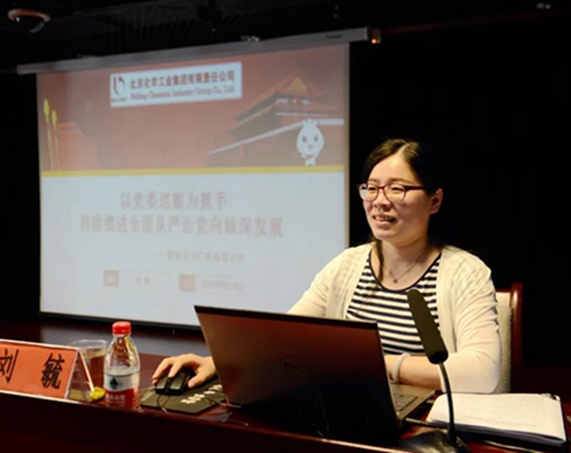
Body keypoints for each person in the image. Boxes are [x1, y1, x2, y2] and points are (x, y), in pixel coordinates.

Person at [153, 138, 500, 394]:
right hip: (350, 415)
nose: (380, 201)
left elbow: (482, 372)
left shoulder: (465, 273)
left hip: (427, 426)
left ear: (434, 200)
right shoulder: (347, 266)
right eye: (372, 189)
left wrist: (376, 365)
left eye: (397, 189)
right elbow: (284, 336)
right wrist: (217, 362)